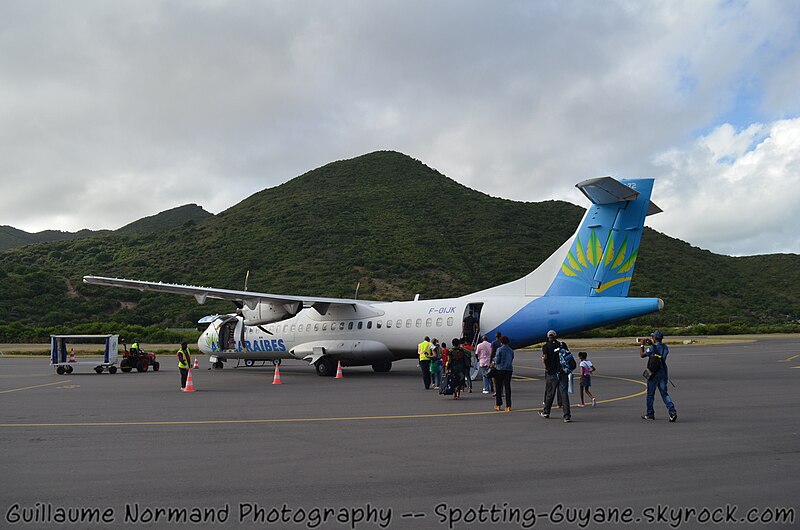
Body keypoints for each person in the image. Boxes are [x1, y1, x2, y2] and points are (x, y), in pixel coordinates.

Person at [640, 331, 677, 422]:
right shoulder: (665, 347)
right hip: (663, 373)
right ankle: (672, 411)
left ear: (655, 338)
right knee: (664, 394)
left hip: (654, 374)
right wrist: (652, 344)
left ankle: (650, 414)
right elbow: (658, 351)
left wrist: (642, 345)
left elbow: (642, 355)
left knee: (650, 395)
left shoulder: (652, 348)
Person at [539, 329, 572, 423]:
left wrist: (546, 367)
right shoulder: (562, 344)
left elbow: (545, 358)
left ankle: (546, 412)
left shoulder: (546, 346)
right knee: (564, 394)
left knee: (550, 393)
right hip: (563, 372)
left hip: (552, 372)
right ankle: (567, 416)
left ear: (548, 336)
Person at [493, 336, 514, 411]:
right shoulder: (511, 350)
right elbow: (512, 358)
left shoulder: (499, 349)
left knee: (498, 387)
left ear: (501, 342)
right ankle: (508, 406)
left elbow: (497, 360)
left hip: (500, 369)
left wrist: (494, 360)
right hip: (508, 369)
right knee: (507, 387)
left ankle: (498, 404)